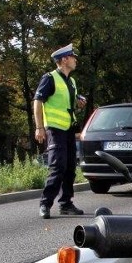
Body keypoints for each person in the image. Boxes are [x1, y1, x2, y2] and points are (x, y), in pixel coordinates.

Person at [33, 43, 87, 219]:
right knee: (58, 166)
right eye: (73, 57)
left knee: (71, 167)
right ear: (64, 60)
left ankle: (66, 204)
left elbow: (65, 100)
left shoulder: (71, 81)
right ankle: (45, 204)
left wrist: (77, 100)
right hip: (55, 130)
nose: (75, 60)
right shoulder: (49, 78)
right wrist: (39, 127)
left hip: (69, 129)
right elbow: (38, 101)